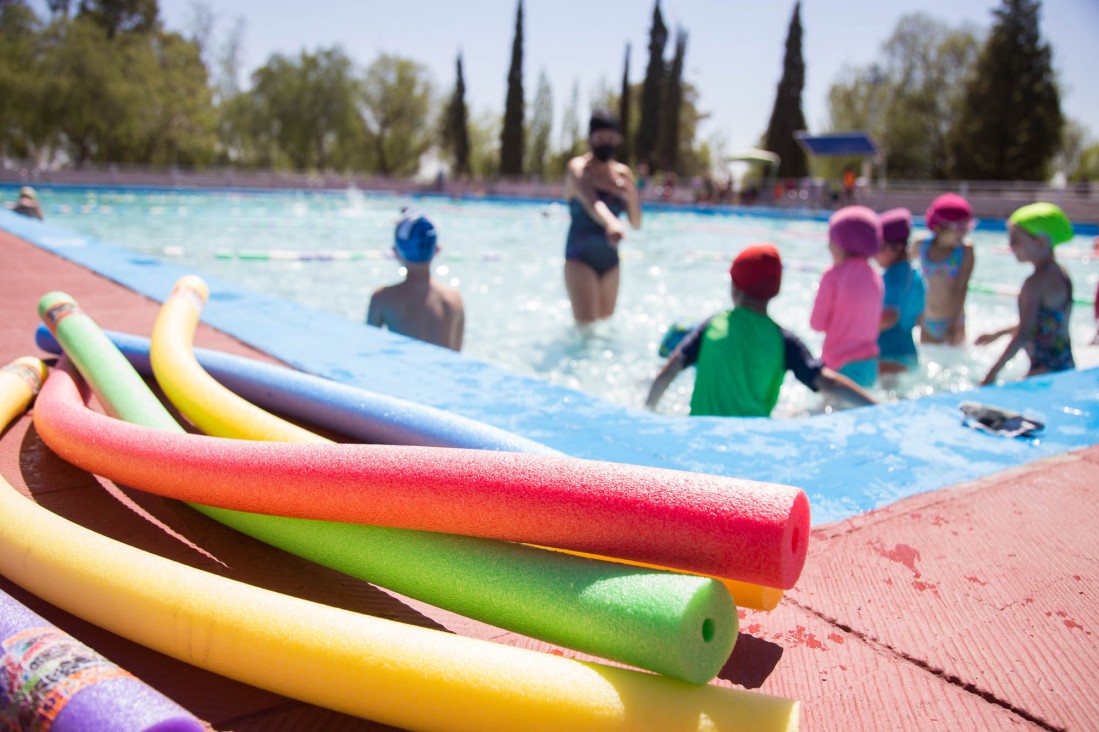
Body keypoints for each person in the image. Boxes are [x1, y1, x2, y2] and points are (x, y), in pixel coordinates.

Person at [645, 243, 877, 417]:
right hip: (750, 440)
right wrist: (878, 408)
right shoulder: (784, 341)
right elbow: (830, 382)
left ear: (734, 287)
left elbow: (669, 371)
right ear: (775, 292)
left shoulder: (711, 327)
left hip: (699, 432)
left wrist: (648, 409)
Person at [977, 203, 1075, 385]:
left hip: (1043, 371)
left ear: (1041, 242)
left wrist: (990, 376)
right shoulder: (1061, 273)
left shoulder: (1035, 283)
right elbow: (1044, 322)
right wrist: (999, 333)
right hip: (1064, 366)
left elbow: (1024, 334)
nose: (1010, 245)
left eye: (1016, 240)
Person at [563, 109, 641, 325]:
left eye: (611, 138)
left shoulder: (623, 174)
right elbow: (590, 201)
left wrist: (631, 194)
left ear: (618, 139)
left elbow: (636, 223)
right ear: (591, 138)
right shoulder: (579, 169)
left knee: (605, 327)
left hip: (611, 260)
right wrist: (612, 223)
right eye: (600, 138)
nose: (606, 143)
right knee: (586, 329)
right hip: (580, 257)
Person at [366, 210, 464, 351]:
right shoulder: (455, 299)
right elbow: (456, 354)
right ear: (437, 249)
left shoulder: (382, 298)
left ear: (395, 251)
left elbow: (369, 349)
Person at [810, 206, 885, 388]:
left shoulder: (832, 276)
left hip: (839, 365)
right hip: (869, 364)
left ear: (842, 243)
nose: (828, 246)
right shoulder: (876, 277)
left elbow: (816, 324)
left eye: (831, 240)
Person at [919, 193, 975, 344]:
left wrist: (954, 323)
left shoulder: (965, 251)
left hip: (952, 322)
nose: (963, 232)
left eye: (967, 225)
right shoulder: (922, 245)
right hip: (926, 321)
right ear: (938, 226)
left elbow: (962, 287)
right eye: (958, 227)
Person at [875, 208, 925, 374]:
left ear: (896, 247)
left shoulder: (893, 276)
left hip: (889, 355)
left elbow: (890, 316)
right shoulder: (916, 273)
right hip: (908, 352)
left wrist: (857, 331)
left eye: (878, 247)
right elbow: (920, 318)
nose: (873, 254)